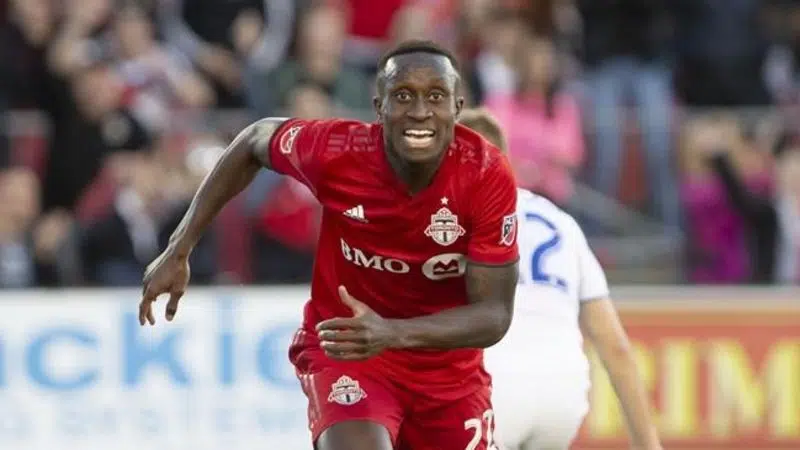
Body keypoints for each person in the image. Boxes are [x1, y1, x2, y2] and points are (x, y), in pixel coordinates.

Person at [139, 40, 520, 450]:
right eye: (403, 96)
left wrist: (391, 332)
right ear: (378, 107)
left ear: (458, 108)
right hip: (350, 352)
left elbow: (494, 316)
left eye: (436, 96)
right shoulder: (337, 151)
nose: (420, 111)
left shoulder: (486, 174)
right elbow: (254, 140)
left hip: (448, 376)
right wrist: (179, 247)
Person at [458, 108, 662, 450]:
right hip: (564, 394)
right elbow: (616, 348)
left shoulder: (450, 220)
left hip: (493, 385)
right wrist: (649, 446)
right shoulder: (561, 223)